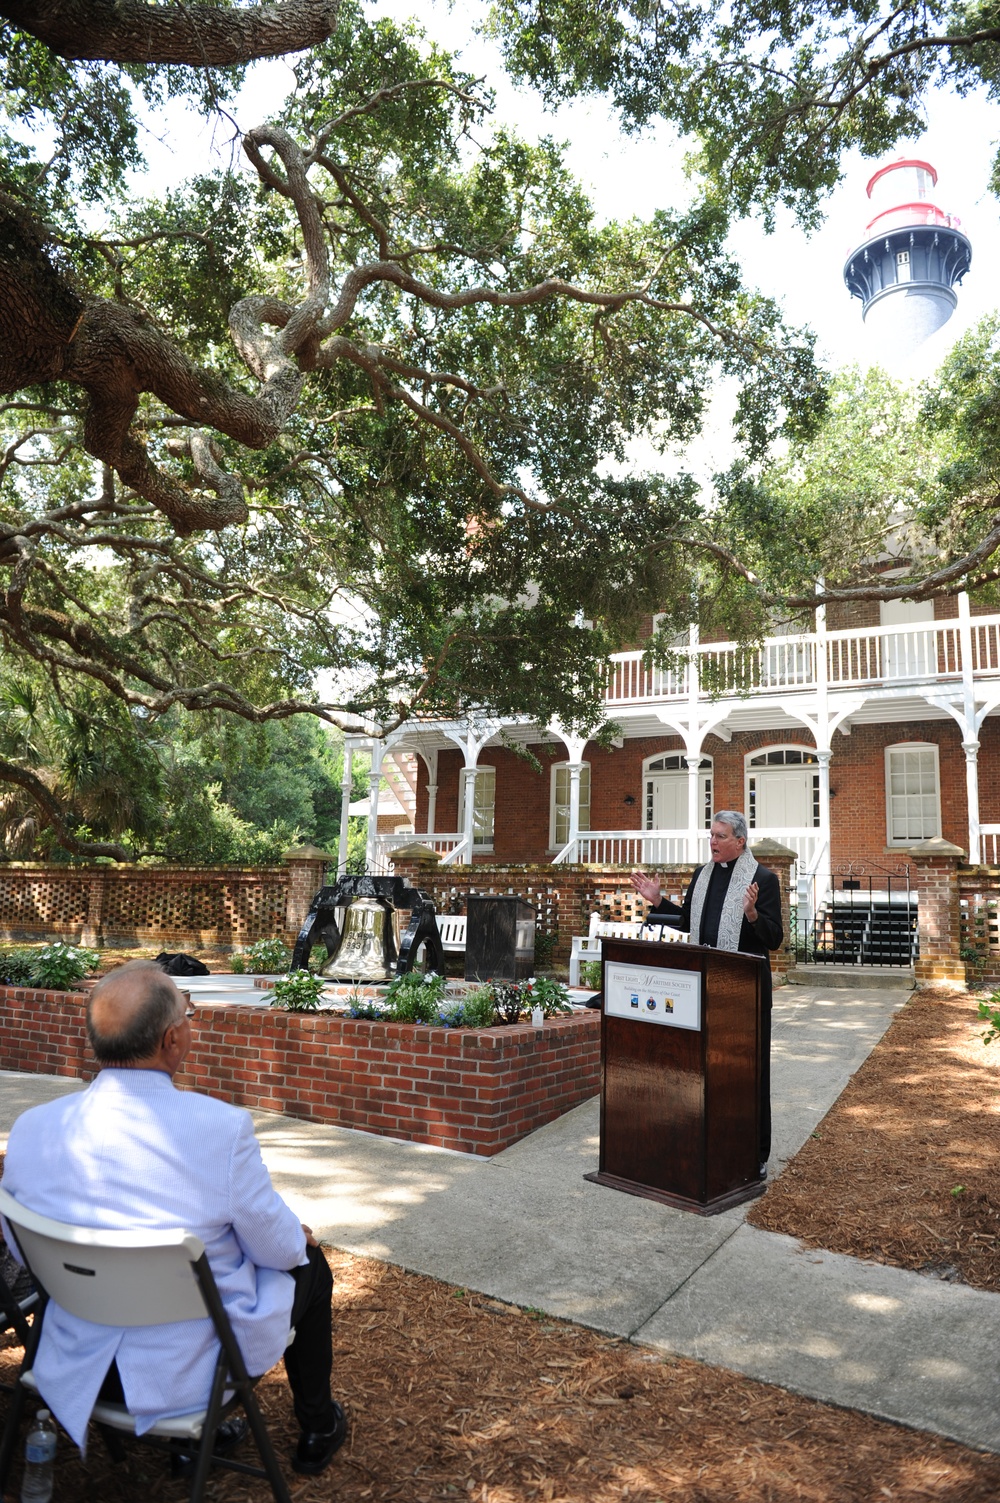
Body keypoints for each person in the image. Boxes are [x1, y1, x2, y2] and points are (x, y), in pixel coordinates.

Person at [0, 960, 347, 1476]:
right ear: (172, 1040)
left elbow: (19, 1241)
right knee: (310, 1265)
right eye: (188, 1015)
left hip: (74, 1361)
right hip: (186, 1374)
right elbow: (278, 1251)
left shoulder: (33, 1129)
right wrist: (294, 1239)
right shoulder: (221, 1130)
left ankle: (203, 1440)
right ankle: (319, 1424)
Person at [630, 810, 783, 1175]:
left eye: (720, 836)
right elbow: (687, 922)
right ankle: (712, 1139)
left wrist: (751, 915)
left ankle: (755, 1153)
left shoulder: (763, 879)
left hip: (746, 991)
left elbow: (774, 939)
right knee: (706, 1068)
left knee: (748, 1071)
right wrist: (657, 901)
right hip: (703, 984)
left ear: (740, 842)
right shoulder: (703, 875)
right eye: (710, 835)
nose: (712, 841)